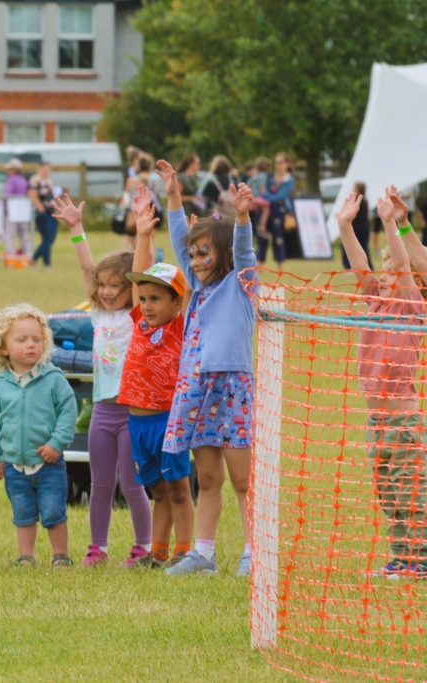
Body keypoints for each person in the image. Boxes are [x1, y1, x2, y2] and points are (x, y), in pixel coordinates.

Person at [155, 159, 258, 577]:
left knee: (243, 480)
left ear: (225, 255)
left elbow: (243, 251)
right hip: (197, 391)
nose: (195, 261)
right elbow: (179, 240)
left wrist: (243, 218)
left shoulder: (241, 284)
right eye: (193, 255)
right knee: (209, 477)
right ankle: (203, 554)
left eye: (204, 254)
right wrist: (173, 196)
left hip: (232, 389)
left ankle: (253, 552)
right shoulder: (196, 287)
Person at [50, 192, 153, 568]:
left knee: (132, 484)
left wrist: (143, 234)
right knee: (100, 485)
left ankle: (143, 546)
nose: (107, 291)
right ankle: (98, 548)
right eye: (104, 286)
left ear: (131, 289)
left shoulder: (137, 317)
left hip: (131, 413)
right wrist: (76, 229)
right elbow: (87, 270)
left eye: (116, 286)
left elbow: (141, 274)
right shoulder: (98, 314)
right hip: (101, 412)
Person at [337, 189, 427, 578]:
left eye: (392, 266)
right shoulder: (376, 301)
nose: (386, 270)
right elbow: (360, 265)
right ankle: (402, 557)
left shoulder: (412, 306)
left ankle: (420, 558)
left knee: (411, 493)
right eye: (385, 264)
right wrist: (345, 225)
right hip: (377, 424)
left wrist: (391, 222)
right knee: (389, 495)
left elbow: (405, 264)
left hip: (404, 423)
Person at [118, 189, 194, 570]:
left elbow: (190, 285)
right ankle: (158, 552)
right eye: (144, 299)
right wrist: (143, 234)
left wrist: (187, 245)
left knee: (178, 489)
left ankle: (185, 552)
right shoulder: (139, 324)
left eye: (156, 299)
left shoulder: (182, 327)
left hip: (169, 421)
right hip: (138, 422)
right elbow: (139, 279)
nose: (146, 305)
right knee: (158, 490)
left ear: (177, 304)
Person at [0, 303, 78, 568]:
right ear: (4, 347)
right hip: (14, 466)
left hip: (49, 464)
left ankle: (60, 556)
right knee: (23, 514)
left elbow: (68, 411)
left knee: (53, 512)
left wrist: (56, 443)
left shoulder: (54, 379)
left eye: (37, 339)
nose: (31, 345)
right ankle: (26, 556)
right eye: (22, 340)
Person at [255, 152, 295, 269]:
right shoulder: (270, 177)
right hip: (265, 209)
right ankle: (259, 265)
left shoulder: (289, 179)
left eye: (281, 162)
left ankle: (280, 267)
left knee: (278, 238)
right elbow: (261, 189)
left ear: (287, 164)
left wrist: (265, 196)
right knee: (262, 236)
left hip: (279, 210)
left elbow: (281, 195)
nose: (278, 165)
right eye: (277, 163)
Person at [29, 161, 58, 267]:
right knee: (48, 238)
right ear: (39, 169)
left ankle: (46, 262)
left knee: (48, 238)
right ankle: (35, 259)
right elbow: (32, 194)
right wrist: (41, 209)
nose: (46, 172)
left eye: (48, 170)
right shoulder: (35, 180)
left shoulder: (49, 181)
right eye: (44, 169)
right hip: (42, 212)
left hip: (51, 211)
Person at [3, 158, 31, 259]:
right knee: (23, 234)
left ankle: (11, 255)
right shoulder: (24, 180)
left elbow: (7, 195)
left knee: (10, 234)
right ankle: (27, 255)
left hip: (12, 210)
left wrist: (4, 208)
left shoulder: (11, 180)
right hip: (23, 210)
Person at [341, 181, 372, 270]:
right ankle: (369, 267)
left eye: (354, 187)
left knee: (348, 247)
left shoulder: (356, 201)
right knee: (364, 249)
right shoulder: (365, 201)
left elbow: (353, 216)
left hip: (356, 228)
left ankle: (349, 267)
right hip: (364, 228)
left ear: (358, 189)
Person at [199, 155, 236, 220]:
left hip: (217, 217)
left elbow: (205, 199)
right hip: (232, 216)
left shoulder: (212, 182)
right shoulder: (233, 180)